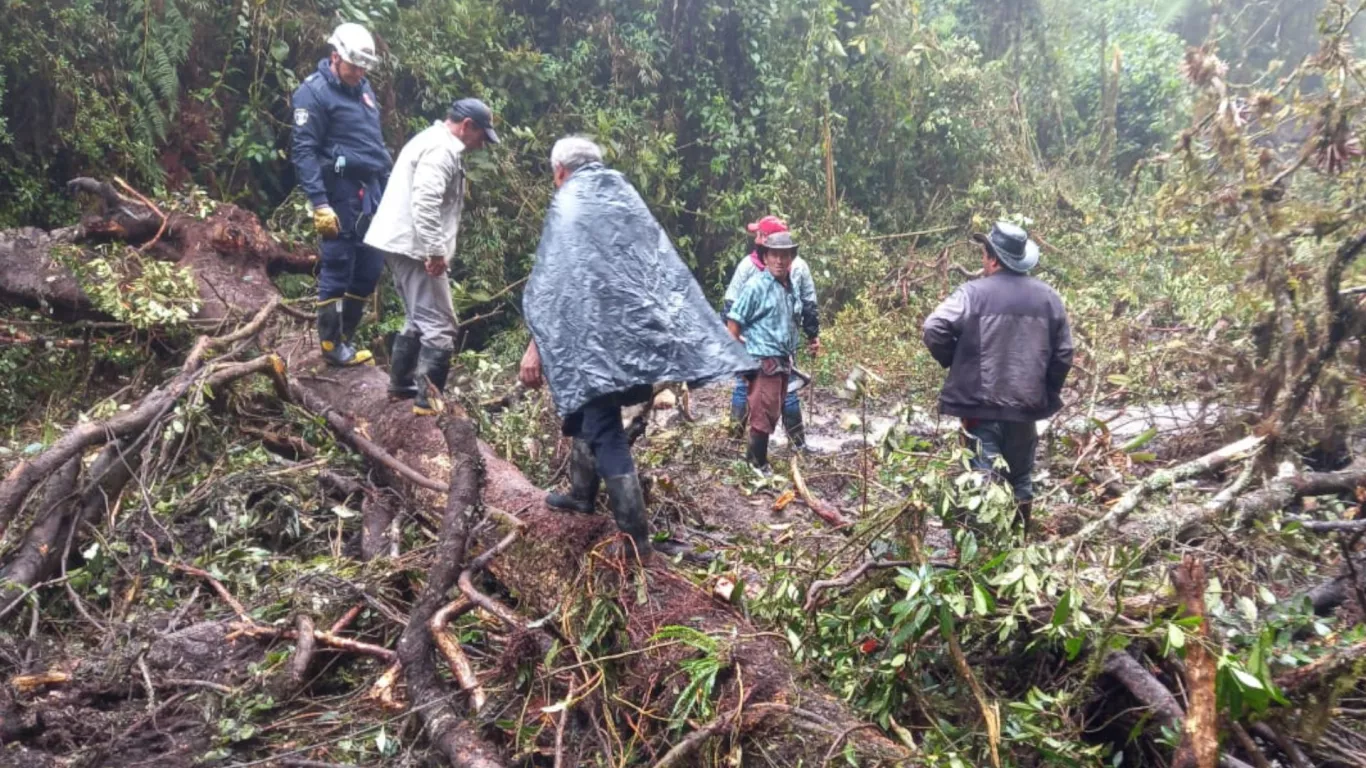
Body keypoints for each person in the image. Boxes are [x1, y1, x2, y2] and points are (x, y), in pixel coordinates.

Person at [519, 137, 753, 562]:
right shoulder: (622, 195)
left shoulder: (569, 204)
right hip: (632, 344)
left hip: (593, 345)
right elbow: (656, 271)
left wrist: (536, 348)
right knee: (592, 415)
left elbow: (557, 284)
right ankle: (581, 495)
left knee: (604, 428)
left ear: (559, 171)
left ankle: (638, 543)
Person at [921, 221, 1073, 536]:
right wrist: (1044, 393)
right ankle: (1018, 545)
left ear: (992, 259)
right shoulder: (1049, 299)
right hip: (1025, 409)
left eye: (983, 254)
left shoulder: (972, 294)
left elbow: (933, 328)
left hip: (979, 409)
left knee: (981, 481)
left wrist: (954, 360)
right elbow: (1063, 355)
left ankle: (981, 557)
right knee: (1020, 479)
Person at [364, 98, 498, 415]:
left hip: (399, 242)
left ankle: (401, 387)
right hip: (415, 247)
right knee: (441, 324)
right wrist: (435, 250)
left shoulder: (430, 139)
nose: (482, 144)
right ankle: (428, 403)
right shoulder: (442, 150)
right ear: (467, 126)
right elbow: (425, 202)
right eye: (481, 135)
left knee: (418, 316)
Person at [291, 23, 393, 367]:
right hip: (338, 192)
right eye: (354, 66)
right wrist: (319, 203)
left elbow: (370, 140)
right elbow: (304, 152)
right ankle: (331, 346)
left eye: (365, 67)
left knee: (370, 268)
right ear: (335, 57)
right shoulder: (314, 93)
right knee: (337, 266)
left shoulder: (363, 89)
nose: (360, 72)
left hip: (370, 191)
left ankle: (346, 337)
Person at [722, 216, 821, 449]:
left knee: (782, 393)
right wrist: (738, 346)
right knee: (755, 395)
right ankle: (746, 448)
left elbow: (806, 306)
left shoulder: (791, 276)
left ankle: (787, 445)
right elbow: (733, 314)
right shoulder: (754, 277)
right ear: (767, 254)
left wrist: (811, 335)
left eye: (760, 234)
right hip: (757, 348)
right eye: (774, 254)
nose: (756, 238)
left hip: (782, 349)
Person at [725, 231, 802, 473]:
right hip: (762, 360)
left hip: (782, 360)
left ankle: (757, 460)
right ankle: (757, 464)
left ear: (791, 258)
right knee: (762, 412)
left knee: (772, 411)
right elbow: (734, 323)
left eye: (785, 256)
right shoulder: (756, 286)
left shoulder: (789, 286)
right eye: (775, 256)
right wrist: (741, 359)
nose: (780, 261)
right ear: (765, 257)